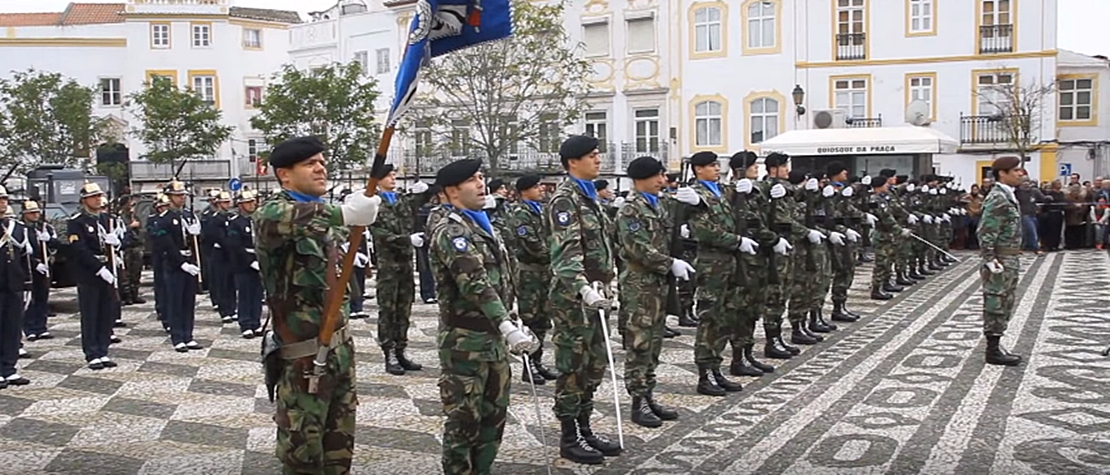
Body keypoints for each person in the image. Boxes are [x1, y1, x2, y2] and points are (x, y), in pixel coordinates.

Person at [255, 136, 381, 473]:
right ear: (284, 174)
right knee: (304, 456)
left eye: (322, 161)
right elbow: (280, 217)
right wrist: (344, 212)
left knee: (339, 453)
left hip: (339, 352)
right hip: (304, 361)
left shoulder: (324, 220)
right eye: (310, 163)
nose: (321, 167)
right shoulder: (273, 213)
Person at [427, 158, 537, 475]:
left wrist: (513, 318)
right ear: (452, 190)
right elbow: (474, 280)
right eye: (473, 179)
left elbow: (504, 278)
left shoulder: (483, 223)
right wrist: (505, 323)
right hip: (466, 342)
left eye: (481, 177)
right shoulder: (450, 229)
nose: (481, 183)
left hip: (495, 337)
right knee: (464, 420)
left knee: (494, 417)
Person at [546, 135, 621, 464]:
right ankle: (569, 435)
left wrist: (608, 285)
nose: (598, 160)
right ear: (572, 162)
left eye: (597, 154)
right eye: (591, 156)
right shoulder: (565, 200)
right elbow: (565, 256)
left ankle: (585, 427)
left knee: (594, 365)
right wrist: (584, 288)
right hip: (573, 298)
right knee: (573, 366)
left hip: (597, 294)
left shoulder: (592, 199)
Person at [616, 156, 686, 427]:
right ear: (641, 178)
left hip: (658, 284)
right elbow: (638, 248)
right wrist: (670, 264)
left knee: (655, 342)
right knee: (639, 344)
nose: (662, 180)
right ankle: (638, 401)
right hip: (639, 285)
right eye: (657, 175)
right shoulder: (631, 210)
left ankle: (648, 394)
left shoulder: (658, 205)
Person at [368, 164, 428, 375]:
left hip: (405, 264)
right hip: (388, 266)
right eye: (388, 176)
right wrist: (406, 239)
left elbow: (419, 203)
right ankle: (389, 352)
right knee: (388, 310)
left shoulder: (401, 200)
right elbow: (381, 234)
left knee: (404, 309)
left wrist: (424, 190)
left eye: (394, 175)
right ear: (378, 180)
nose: (393, 178)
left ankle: (401, 349)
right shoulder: (374, 204)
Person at [507, 174, 559, 384]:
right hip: (529, 273)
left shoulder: (542, 211)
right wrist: (557, 253)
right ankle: (528, 366)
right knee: (529, 319)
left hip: (545, 271)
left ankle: (537, 362)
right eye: (536, 186)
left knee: (543, 319)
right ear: (524, 191)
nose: (541, 189)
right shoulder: (521, 213)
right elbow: (532, 244)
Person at [977, 156, 1024, 366]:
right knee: (996, 301)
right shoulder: (999, 198)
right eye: (1015, 170)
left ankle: (996, 344)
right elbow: (986, 231)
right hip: (1001, 258)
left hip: (1009, 256)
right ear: (1002, 173)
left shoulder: (1008, 196)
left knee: (1006, 301)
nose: (1020, 173)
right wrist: (990, 259)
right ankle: (992, 350)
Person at [66, 183, 119, 370]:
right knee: (90, 314)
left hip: (107, 270)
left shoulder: (106, 219)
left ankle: (103, 350)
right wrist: (98, 268)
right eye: (93, 196)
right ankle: (92, 352)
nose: (98, 199)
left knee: (106, 313)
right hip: (89, 273)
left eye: (99, 195)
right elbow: (79, 249)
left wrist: (117, 243)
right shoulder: (77, 221)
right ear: (84, 200)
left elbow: (114, 242)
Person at [151, 180, 204, 352]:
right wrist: (181, 263)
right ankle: (177, 336)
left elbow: (195, 242)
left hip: (189, 262)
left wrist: (197, 234)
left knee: (188, 301)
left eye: (183, 195)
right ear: (169, 196)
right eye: (178, 195)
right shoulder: (164, 218)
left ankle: (188, 335)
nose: (182, 198)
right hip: (174, 264)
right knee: (175, 301)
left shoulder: (188, 216)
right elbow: (166, 244)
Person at [225, 190, 263, 338]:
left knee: (257, 294)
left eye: (253, 202)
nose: (252, 205)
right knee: (245, 294)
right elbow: (235, 246)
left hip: (258, 259)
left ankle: (256, 322)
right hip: (243, 264)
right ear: (240, 205)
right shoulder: (235, 222)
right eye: (248, 202)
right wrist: (250, 261)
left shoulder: (256, 220)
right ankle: (246, 323)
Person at [22, 201, 57, 341]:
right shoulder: (22, 229)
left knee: (43, 297)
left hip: (45, 266)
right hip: (29, 267)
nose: (35, 215)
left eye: (37, 212)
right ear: (24, 214)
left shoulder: (45, 228)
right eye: (31, 213)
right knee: (31, 299)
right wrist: (35, 263)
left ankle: (41, 327)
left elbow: (56, 245)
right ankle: (30, 328)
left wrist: (49, 240)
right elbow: (22, 251)